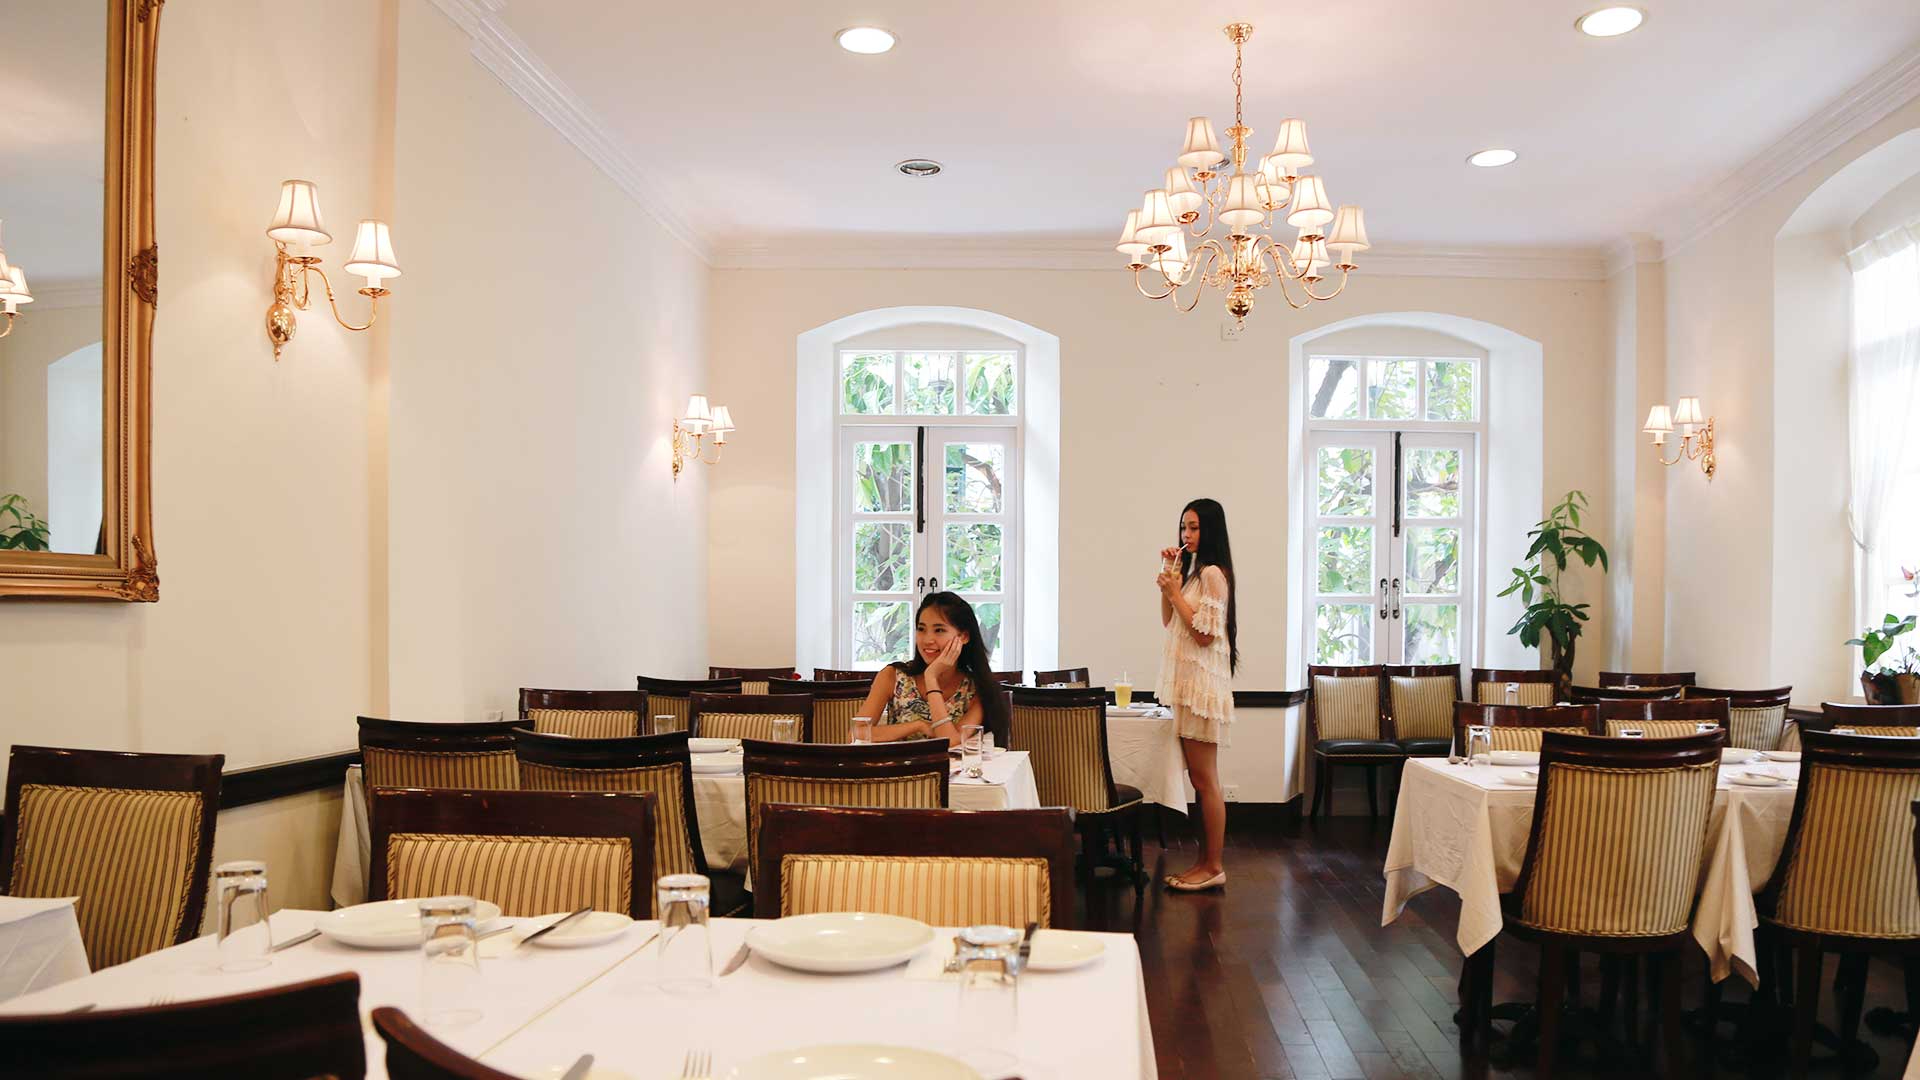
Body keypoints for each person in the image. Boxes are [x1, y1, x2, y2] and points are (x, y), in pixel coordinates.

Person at [1156, 497, 1238, 891]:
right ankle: (1204, 863)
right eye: (1183, 527)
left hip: (1203, 688)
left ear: (1210, 531)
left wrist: (1175, 592)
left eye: (1194, 527)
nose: (1186, 534)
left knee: (1206, 781)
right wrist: (1169, 579)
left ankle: (1213, 866)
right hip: (1188, 688)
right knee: (1200, 780)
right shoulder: (1193, 574)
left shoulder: (1213, 575)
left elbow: (1205, 635)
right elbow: (1168, 620)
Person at [855, 591, 1005, 747]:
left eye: (939, 630)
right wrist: (918, 725)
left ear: (963, 637)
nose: (927, 640)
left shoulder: (978, 688)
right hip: (898, 763)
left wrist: (931, 677)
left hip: (950, 764)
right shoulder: (892, 676)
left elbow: (951, 742)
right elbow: (856, 734)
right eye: (921, 629)